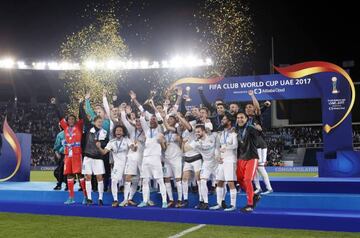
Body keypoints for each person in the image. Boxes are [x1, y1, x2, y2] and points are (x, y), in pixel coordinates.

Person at [52, 98, 87, 205]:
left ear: (75, 120)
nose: (71, 121)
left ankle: (86, 197)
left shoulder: (79, 126)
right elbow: (60, 116)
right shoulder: (66, 128)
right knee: (69, 175)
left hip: (77, 154)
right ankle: (71, 197)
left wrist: (81, 104)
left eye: (73, 119)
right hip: (68, 155)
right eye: (69, 119)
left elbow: (81, 115)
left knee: (80, 175)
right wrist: (55, 104)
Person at [97, 125, 136, 207]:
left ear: (123, 132)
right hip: (118, 165)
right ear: (115, 132)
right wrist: (99, 147)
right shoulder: (111, 142)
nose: (118, 132)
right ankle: (115, 200)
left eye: (120, 130)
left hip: (127, 163)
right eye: (117, 130)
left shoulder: (127, 140)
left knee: (127, 180)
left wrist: (134, 146)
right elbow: (104, 152)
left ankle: (125, 200)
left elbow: (133, 148)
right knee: (114, 181)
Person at [137, 113, 168, 208]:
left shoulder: (160, 131)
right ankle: (145, 200)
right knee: (145, 180)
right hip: (146, 158)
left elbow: (165, 148)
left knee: (160, 180)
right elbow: (142, 119)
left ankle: (164, 201)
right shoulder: (147, 131)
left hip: (155, 158)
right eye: (151, 119)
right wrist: (142, 114)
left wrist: (161, 142)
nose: (152, 121)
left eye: (154, 119)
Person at [246, 90, 273, 195]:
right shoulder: (245, 119)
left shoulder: (256, 116)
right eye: (247, 107)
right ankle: (258, 188)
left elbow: (257, 107)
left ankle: (269, 188)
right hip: (252, 146)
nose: (248, 109)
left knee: (260, 167)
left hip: (260, 145)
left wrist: (252, 95)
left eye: (250, 107)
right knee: (254, 168)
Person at [186, 124, 217, 210]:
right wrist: (188, 142)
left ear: (204, 131)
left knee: (221, 182)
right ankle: (205, 203)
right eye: (196, 132)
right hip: (206, 163)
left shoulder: (212, 137)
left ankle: (221, 202)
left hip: (216, 163)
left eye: (199, 132)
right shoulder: (196, 141)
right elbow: (186, 148)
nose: (197, 133)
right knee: (202, 181)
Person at [211, 115, 238, 211]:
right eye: (222, 119)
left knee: (230, 182)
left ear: (229, 121)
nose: (222, 121)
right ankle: (219, 203)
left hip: (230, 160)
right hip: (222, 160)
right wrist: (217, 156)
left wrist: (226, 147)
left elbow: (235, 146)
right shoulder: (221, 133)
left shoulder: (234, 133)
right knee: (219, 182)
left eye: (224, 119)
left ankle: (233, 205)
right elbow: (217, 146)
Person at [236, 112, 261, 213]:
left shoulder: (250, 128)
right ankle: (254, 195)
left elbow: (258, 133)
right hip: (241, 158)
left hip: (251, 157)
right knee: (239, 180)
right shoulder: (237, 129)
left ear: (246, 119)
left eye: (242, 118)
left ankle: (250, 204)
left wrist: (258, 129)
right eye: (238, 118)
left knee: (247, 180)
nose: (239, 119)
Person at [82, 115, 108, 206]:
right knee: (87, 177)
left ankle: (100, 198)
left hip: (98, 158)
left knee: (99, 177)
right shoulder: (89, 128)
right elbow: (83, 117)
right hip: (88, 157)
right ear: (94, 122)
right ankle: (89, 198)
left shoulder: (104, 132)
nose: (100, 123)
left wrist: (101, 144)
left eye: (101, 122)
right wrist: (82, 103)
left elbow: (106, 142)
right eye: (99, 122)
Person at [53, 125, 66, 190]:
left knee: (66, 171)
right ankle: (60, 184)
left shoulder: (74, 132)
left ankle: (64, 184)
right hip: (63, 154)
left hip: (72, 154)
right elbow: (56, 146)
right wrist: (57, 153)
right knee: (60, 170)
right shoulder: (60, 135)